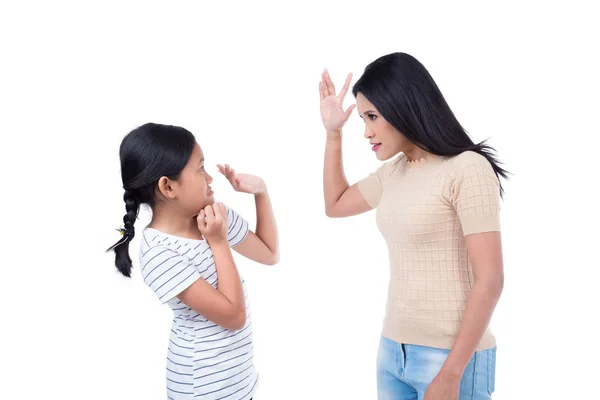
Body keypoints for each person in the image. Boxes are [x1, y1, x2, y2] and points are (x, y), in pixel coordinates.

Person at [319, 52, 507, 400]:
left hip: (451, 359)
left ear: (403, 105)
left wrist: (451, 374)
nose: (366, 131)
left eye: (372, 117)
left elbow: (491, 278)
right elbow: (336, 204)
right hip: (393, 354)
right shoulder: (395, 171)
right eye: (362, 118)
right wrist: (333, 135)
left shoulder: (467, 168)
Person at [107, 123, 279, 400]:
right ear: (168, 186)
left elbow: (269, 253)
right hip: (201, 387)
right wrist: (219, 242)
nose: (210, 178)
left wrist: (261, 193)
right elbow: (233, 317)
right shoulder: (159, 252)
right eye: (200, 168)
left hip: (239, 380)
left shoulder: (212, 217)